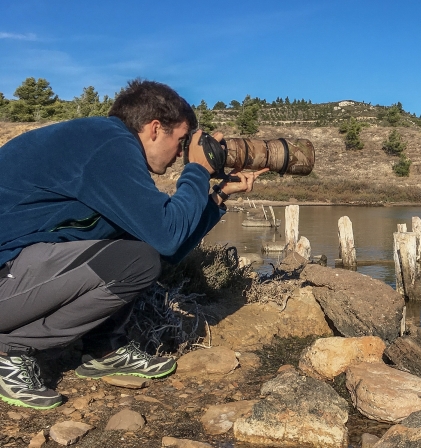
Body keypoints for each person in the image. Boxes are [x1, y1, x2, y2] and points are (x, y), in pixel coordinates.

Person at [0, 79, 267, 409]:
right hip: (6, 274)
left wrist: (218, 196)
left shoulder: (104, 148)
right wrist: (197, 169)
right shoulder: (107, 145)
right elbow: (166, 237)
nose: (180, 155)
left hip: (15, 275)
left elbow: (167, 246)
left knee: (136, 248)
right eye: (182, 141)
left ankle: (103, 350)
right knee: (134, 260)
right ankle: (8, 350)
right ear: (155, 128)